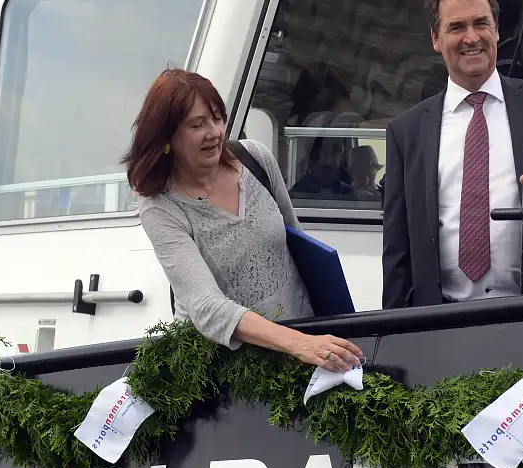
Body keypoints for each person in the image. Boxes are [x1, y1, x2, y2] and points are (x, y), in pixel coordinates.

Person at [122, 68, 361, 373]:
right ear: (166, 136)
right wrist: (298, 344)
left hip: (305, 346)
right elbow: (207, 308)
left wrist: (321, 330)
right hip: (231, 372)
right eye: (197, 124)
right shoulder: (159, 206)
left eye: (217, 118)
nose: (215, 132)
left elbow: (299, 244)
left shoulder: (256, 159)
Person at [382, 0, 523, 309]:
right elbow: (397, 248)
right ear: (436, 38)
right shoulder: (406, 131)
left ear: (496, 29)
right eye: (456, 27)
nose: (471, 37)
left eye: (481, 23)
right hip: (440, 319)